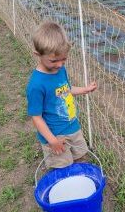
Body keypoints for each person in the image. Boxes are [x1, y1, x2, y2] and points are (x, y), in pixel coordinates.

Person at [26, 21, 97, 168]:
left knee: (81, 159)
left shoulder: (60, 70)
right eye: (53, 60)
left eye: (63, 59)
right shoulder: (36, 85)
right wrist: (52, 141)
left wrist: (84, 89)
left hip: (73, 127)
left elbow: (66, 90)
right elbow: (36, 117)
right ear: (37, 54)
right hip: (56, 135)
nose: (59, 64)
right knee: (62, 166)